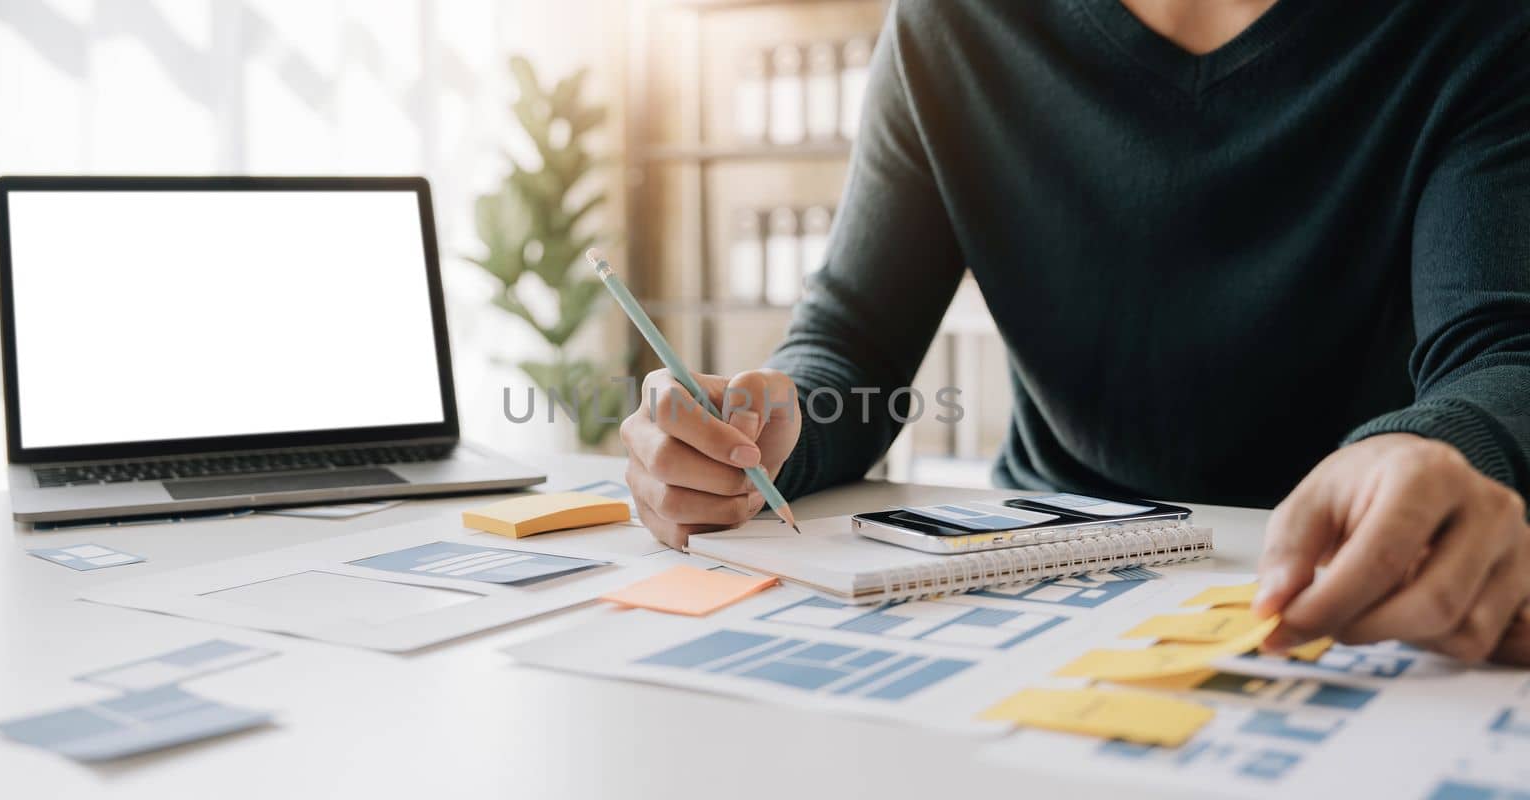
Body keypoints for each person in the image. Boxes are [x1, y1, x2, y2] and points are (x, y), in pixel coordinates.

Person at [619, 0, 1530, 664]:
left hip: (1361, 570)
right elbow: (851, 343)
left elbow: (1502, 350)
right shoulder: (952, 24)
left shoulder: (1474, 26)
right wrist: (766, 432)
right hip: (1038, 567)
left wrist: (1433, 444)